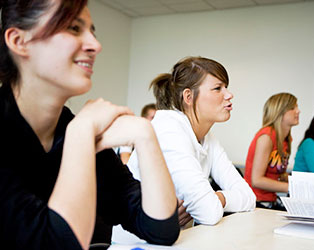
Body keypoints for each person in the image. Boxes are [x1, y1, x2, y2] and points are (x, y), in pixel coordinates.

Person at [0, 1, 179, 249]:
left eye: (92, 32)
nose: (95, 45)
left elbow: (160, 229)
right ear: (19, 42)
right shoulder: (79, 129)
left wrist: (145, 134)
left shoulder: (73, 127)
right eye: (74, 28)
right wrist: (81, 132)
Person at [127, 56, 256, 226]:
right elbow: (208, 213)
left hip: (179, 238)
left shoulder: (208, 138)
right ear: (188, 97)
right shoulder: (169, 131)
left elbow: (249, 197)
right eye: (218, 88)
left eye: (226, 87)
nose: (229, 95)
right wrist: (209, 202)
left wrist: (218, 197)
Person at [244, 93, 300, 210]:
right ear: (280, 112)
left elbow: (276, 172)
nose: (298, 111)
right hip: (256, 202)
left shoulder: (286, 139)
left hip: (270, 200)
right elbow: (257, 180)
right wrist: (292, 187)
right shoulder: (267, 136)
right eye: (292, 108)